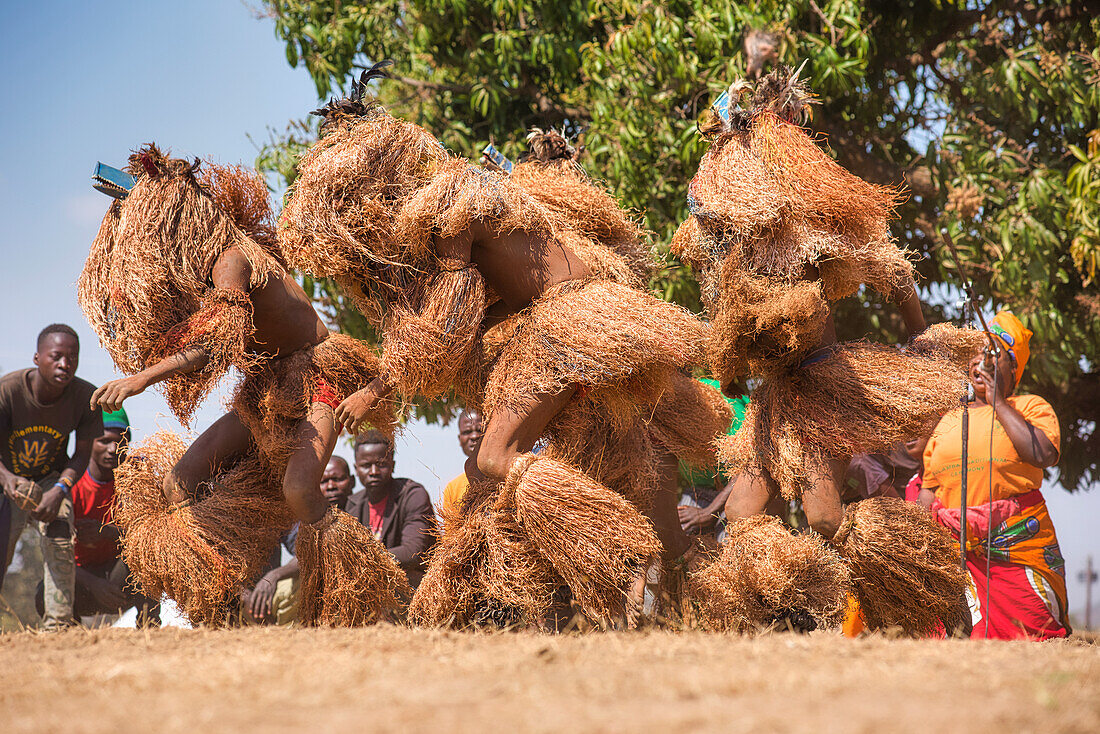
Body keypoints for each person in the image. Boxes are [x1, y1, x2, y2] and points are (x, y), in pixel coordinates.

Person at [280, 64, 730, 627]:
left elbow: (443, 329)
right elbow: (494, 305)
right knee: (617, 481)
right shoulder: (486, 189)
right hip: (609, 319)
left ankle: (616, 546)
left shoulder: (448, 211)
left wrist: (379, 383)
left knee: (493, 459)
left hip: (569, 329)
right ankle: (710, 593)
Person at [672, 64, 977, 634]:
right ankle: (786, 616)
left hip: (820, 389)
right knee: (742, 515)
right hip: (776, 400)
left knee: (827, 519)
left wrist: (921, 337)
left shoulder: (809, 233)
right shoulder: (734, 250)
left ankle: (924, 579)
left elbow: (889, 268)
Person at [78, 147, 403, 626]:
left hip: (318, 378)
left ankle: (354, 598)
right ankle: (222, 603)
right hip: (267, 390)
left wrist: (142, 379)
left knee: (298, 488)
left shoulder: (232, 260)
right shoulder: (206, 272)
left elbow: (215, 344)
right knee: (179, 482)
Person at [920, 311, 1068, 640]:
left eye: (993, 354)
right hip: (953, 554)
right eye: (976, 353)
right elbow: (929, 492)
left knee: (1032, 635)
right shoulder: (947, 420)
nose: (981, 362)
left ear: (1013, 368)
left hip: (1015, 547)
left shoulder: (1030, 407)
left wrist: (998, 402)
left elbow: (1042, 454)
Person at [0, 324, 102, 630]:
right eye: (56, 356)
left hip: (49, 481)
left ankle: (57, 625)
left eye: (73, 357)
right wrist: (6, 480)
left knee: (59, 541)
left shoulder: (85, 396)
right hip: (7, 479)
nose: (65, 364)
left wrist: (59, 490)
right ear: (36, 357)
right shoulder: (8, 392)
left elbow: (82, 454)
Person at [41, 407, 159, 626]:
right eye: (104, 441)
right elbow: (53, 551)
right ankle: (68, 631)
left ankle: (150, 626)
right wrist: (95, 585)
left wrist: (106, 533)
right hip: (82, 582)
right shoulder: (69, 482)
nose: (113, 449)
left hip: (121, 580)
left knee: (148, 557)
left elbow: (150, 537)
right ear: (89, 443)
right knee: (42, 593)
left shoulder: (137, 480)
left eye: (121, 442)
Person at [242, 456, 357, 624]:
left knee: (301, 582)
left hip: (269, 595)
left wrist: (274, 576)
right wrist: (245, 596)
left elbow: (306, 552)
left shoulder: (280, 513)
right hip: (238, 599)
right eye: (324, 481)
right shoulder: (218, 515)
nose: (331, 487)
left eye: (337, 479)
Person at [346, 431, 437, 589]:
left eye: (381, 464)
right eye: (366, 466)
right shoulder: (354, 505)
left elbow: (412, 552)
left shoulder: (412, 495)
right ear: (356, 468)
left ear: (392, 465)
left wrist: (362, 560)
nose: (373, 472)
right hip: (372, 588)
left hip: (418, 589)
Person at [441, 409, 484, 517]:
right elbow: (451, 532)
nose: (474, 436)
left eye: (479, 430)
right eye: (467, 432)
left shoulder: (503, 478)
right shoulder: (452, 489)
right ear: (459, 439)